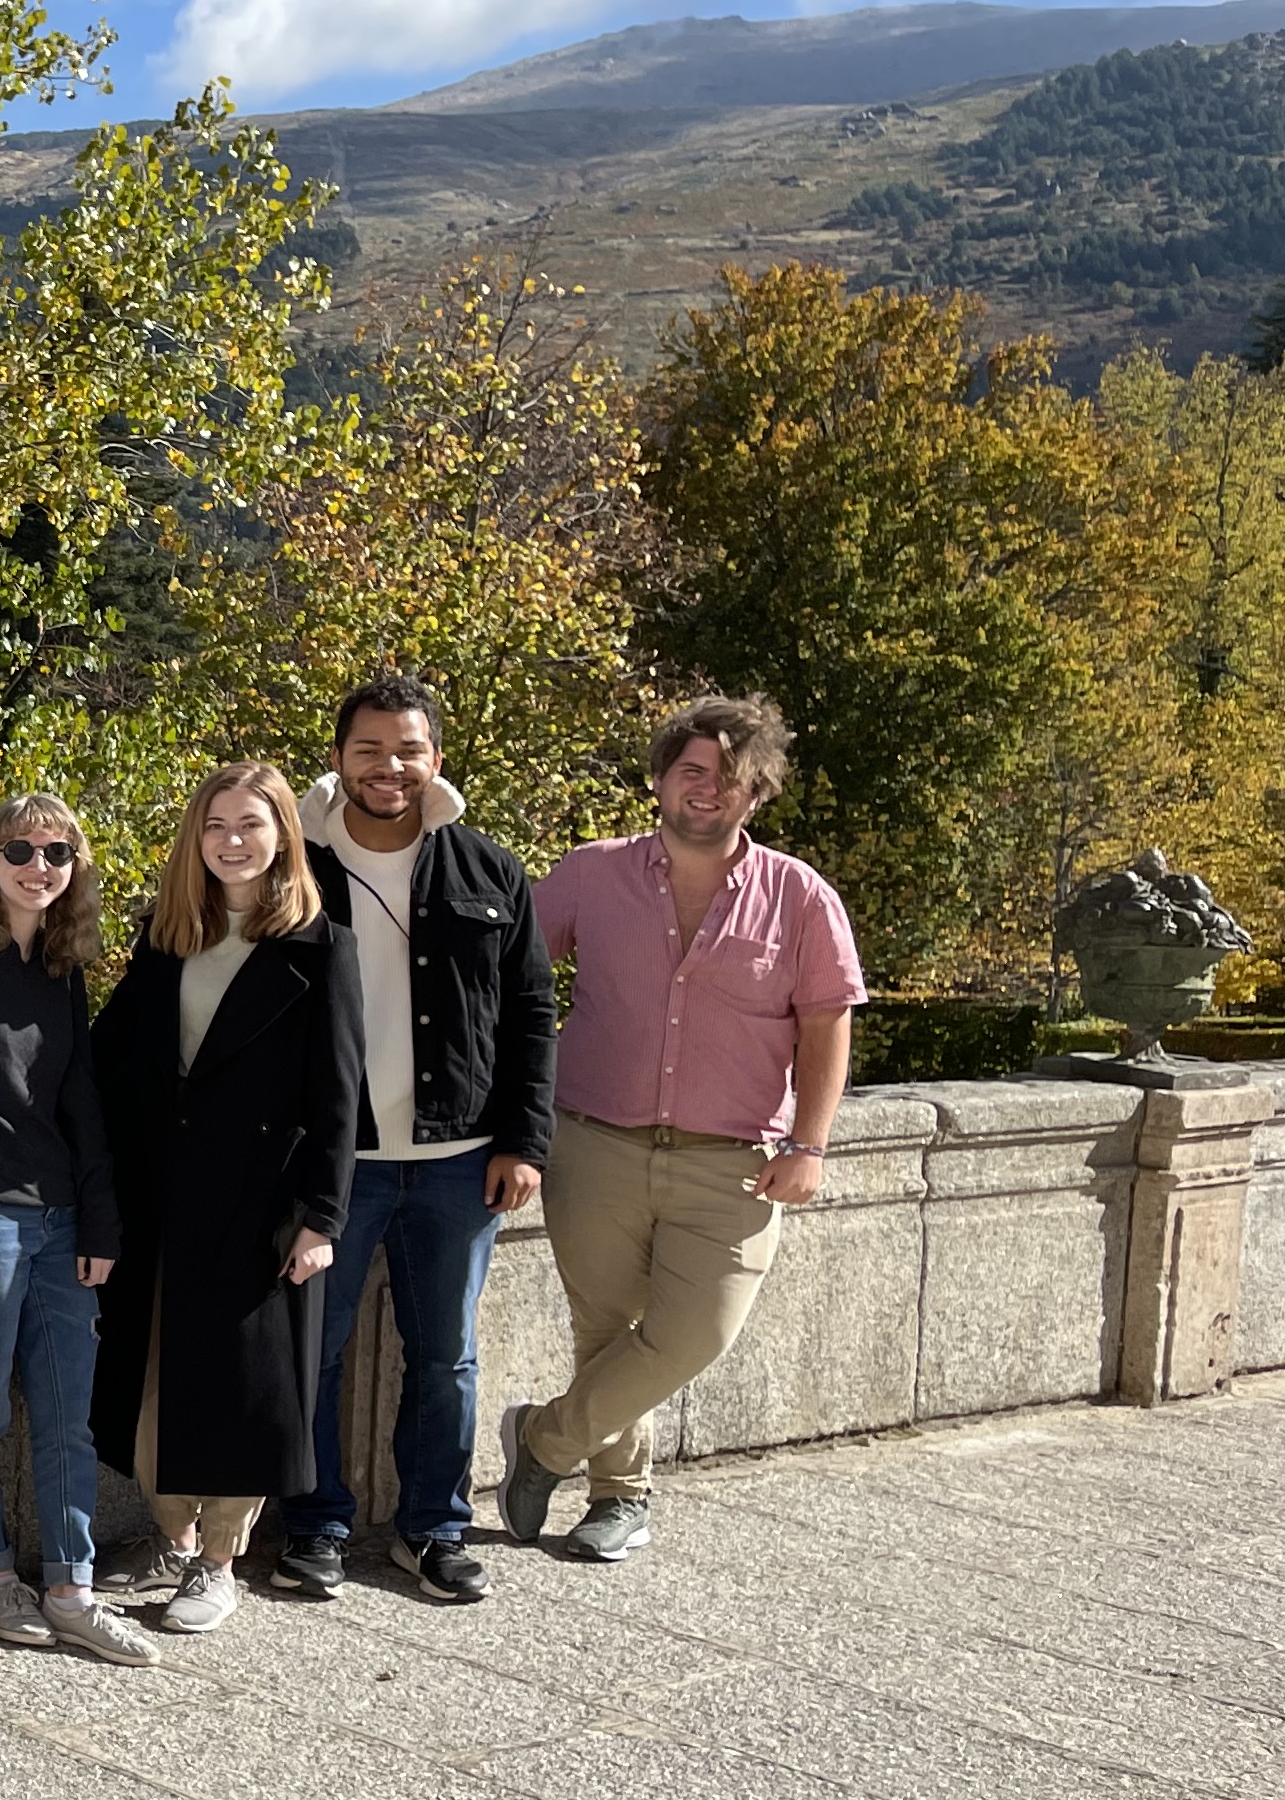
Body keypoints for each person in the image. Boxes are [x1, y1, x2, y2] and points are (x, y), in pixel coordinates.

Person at [501, 696, 863, 1565]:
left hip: (734, 1162)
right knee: (606, 1327)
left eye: (731, 777)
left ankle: (545, 1441)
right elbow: (510, 978)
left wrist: (810, 1145)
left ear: (758, 793)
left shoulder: (800, 897)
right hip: (593, 1141)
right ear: (662, 779)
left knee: (699, 1330)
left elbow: (826, 1026)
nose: (709, 789)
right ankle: (619, 1498)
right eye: (692, 770)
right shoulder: (591, 874)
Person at [277, 676, 557, 1605]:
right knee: (315, 1351)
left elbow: (530, 1013)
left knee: (447, 1355)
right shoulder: (295, 871)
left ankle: (432, 1528)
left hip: (457, 1162)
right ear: (338, 757)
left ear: (435, 758)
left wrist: (525, 1141)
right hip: (334, 1164)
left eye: (407, 750)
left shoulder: (488, 870)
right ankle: (313, 1525)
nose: (388, 768)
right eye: (368, 750)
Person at [89, 761, 364, 1636]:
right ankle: (173, 1534)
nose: (232, 842)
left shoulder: (322, 946)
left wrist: (322, 1217)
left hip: (262, 1204)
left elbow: (339, 1095)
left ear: (284, 833)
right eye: (215, 827)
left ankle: (219, 1561)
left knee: (250, 1392)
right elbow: (112, 1057)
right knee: (154, 1383)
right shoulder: (170, 934)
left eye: (251, 824)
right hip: (161, 1194)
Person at [0, 795, 150, 1665]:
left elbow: (81, 1103)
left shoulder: (64, 967)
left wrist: (102, 1219)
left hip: (63, 1224)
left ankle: (72, 1588)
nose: (38, 864)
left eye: (57, 852)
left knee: (70, 1416)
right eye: (19, 848)